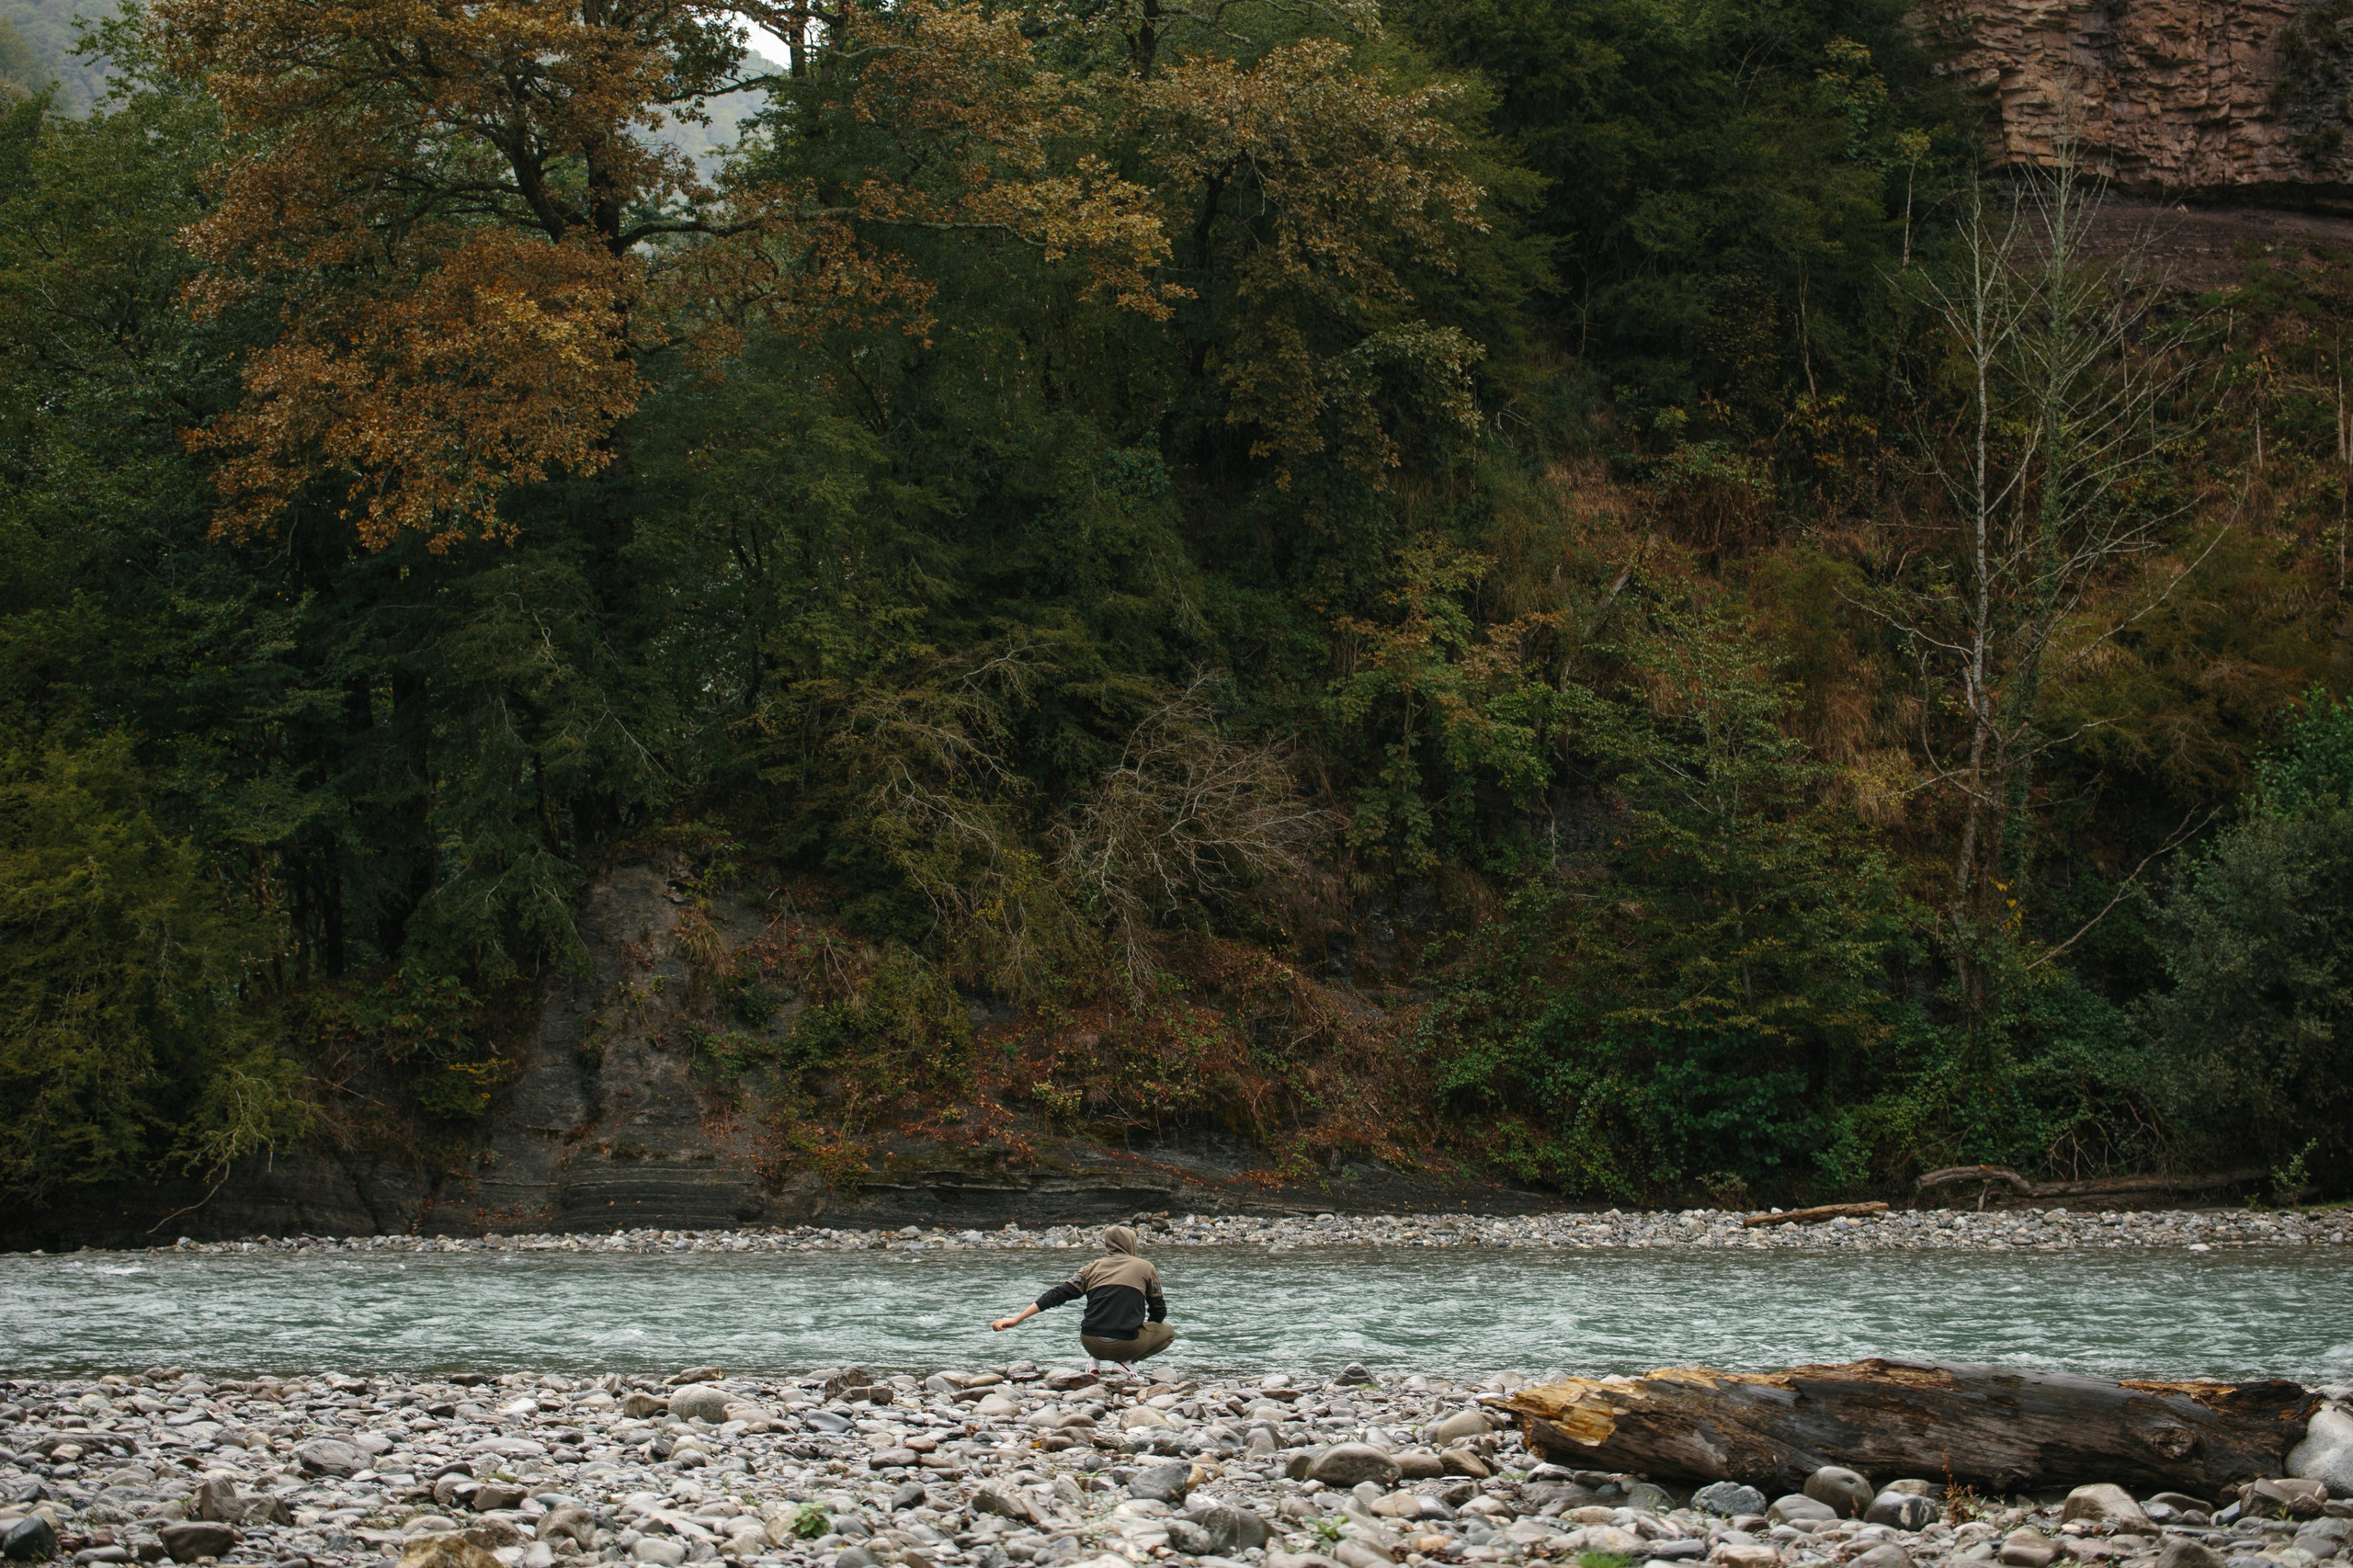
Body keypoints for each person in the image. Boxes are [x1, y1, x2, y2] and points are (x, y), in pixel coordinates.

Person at [989, 1224, 1175, 1372]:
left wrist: (1016, 1319)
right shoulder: (1145, 1267)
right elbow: (1159, 1311)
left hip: (1090, 1343)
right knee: (1168, 1332)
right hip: (1126, 1344)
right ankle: (1125, 1363)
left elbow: (1056, 1295)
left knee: (1101, 1327)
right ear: (1131, 1243)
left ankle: (1095, 1362)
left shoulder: (1090, 1268)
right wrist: (1142, 1328)